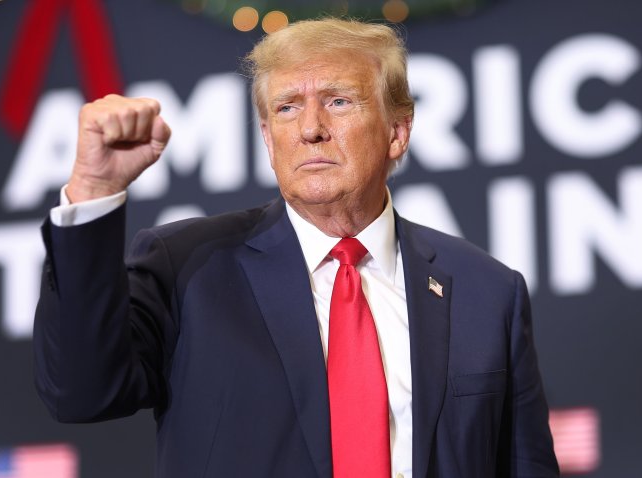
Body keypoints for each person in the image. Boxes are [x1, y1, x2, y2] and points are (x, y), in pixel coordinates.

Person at [33, 17, 559, 478]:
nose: (310, 129)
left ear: (397, 131)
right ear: (266, 136)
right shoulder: (187, 267)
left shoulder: (487, 292)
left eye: (337, 101)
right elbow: (80, 392)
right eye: (286, 108)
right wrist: (94, 192)